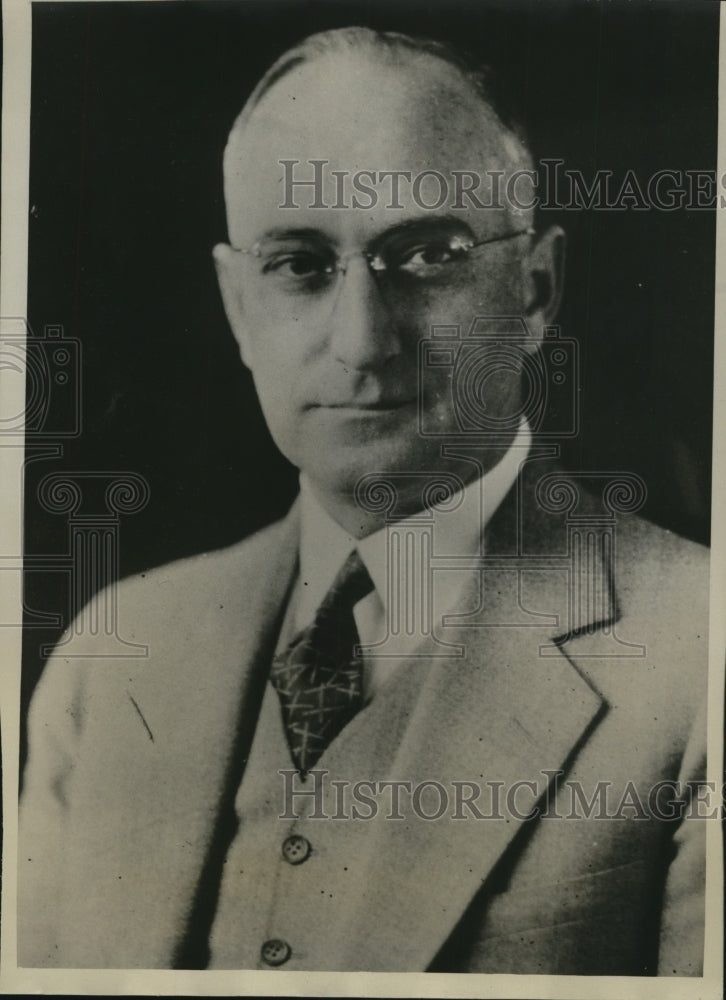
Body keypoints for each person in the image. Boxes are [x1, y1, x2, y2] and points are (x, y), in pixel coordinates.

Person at [18, 27, 709, 975]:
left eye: (426, 255)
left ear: (537, 290)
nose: (361, 342)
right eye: (299, 263)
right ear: (237, 309)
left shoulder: (701, 654)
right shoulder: (114, 654)